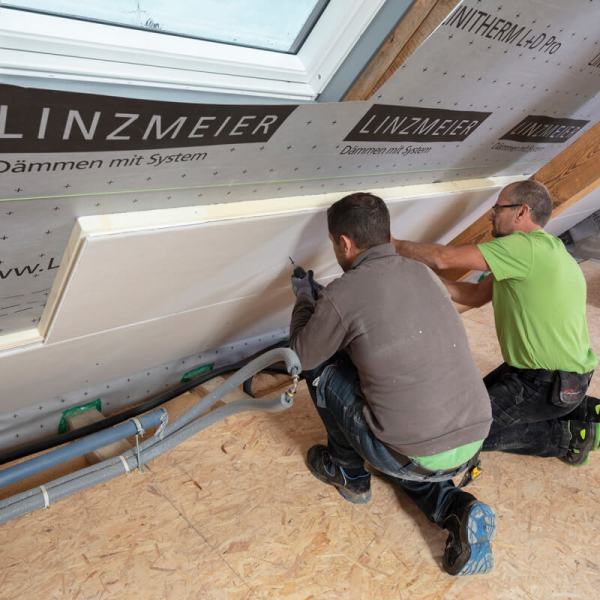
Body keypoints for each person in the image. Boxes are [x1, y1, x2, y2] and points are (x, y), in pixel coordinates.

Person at [289, 192, 495, 576]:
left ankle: (349, 474)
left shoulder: (345, 291)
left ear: (345, 242)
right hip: (470, 442)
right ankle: (458, 507)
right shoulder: (423, 273)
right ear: (386, 234)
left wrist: (304, 300)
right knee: (411, 440)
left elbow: (302, 356)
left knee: (323, 367)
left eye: (334, 243)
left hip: (410, 451)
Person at [392, 179, 598, 464]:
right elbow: (474, 295)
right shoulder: (545, 250)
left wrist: (392, 244)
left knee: (456, 437)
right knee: (468, 411)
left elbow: (443, 258)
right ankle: (581, 409)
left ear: (522, 211)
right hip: (552, 378)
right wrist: (421, 275)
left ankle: (566, 438)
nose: (491, 215)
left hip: (545, 384)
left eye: (498, 208)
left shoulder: (523, 247)